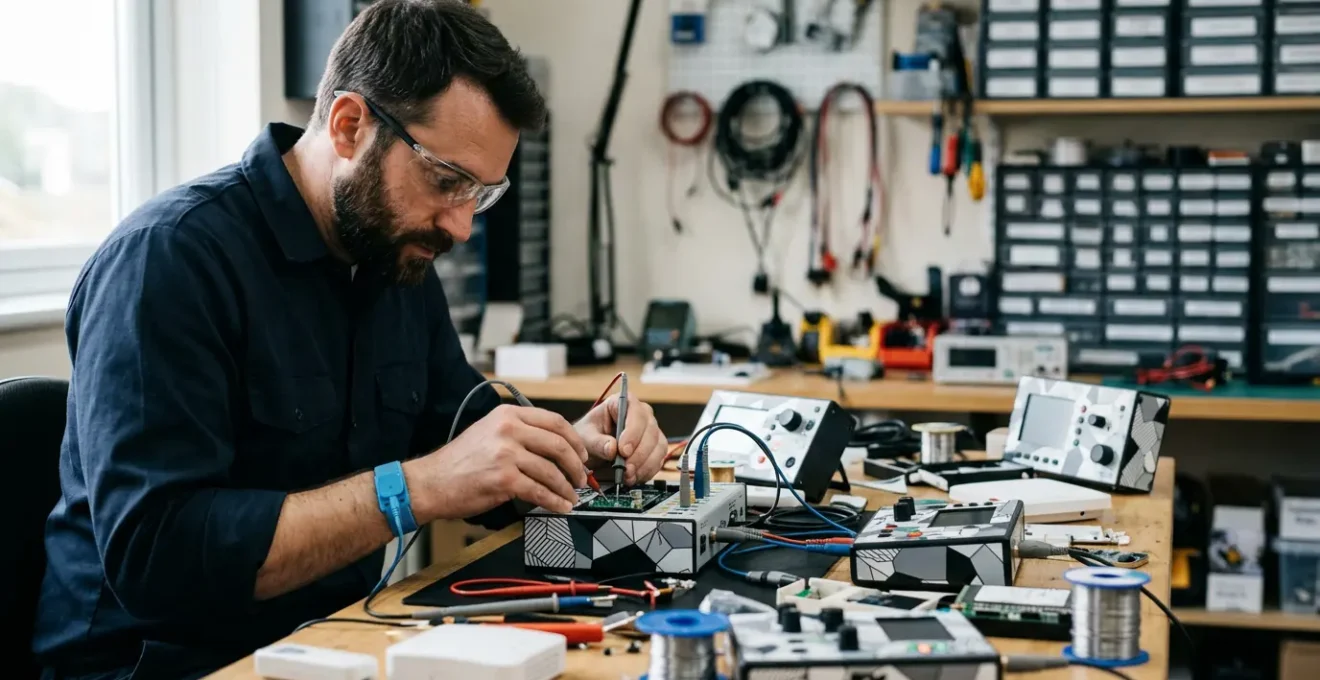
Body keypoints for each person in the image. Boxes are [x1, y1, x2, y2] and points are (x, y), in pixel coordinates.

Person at [32, 2, 670, 678]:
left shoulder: (395, 258)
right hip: (162, 663)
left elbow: (464, 441)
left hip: (335, 645)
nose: (460, 228)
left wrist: (573, 453)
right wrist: (413, 488)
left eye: (480, 195)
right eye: (447, 181)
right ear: (349, 125)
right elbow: (157, 558)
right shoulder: (168, 262)